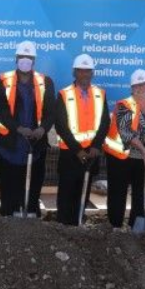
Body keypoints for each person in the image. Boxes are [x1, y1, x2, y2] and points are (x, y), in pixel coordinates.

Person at [0, 40, 56, 217]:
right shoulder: (3, 80)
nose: (25, 60)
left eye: (29, 57)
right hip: (9, 144)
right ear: (16, 58)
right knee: (9, 183)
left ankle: (31, 212)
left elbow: (51, 111)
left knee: (34, 182)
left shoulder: (46, 82)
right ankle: (8, 214)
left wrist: (43, 129)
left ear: (34, 61)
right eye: (22, 57)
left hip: (35, 144)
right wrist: (18, 128)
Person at [103, 68, 145, 229]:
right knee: (117, 193)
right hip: (121, 158)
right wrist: (142, 145)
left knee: (142, 193)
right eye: (137, 85)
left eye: (144, 84)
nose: (141, 88)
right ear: (132, 88)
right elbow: (126, 132)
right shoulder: (124, 105)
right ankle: (115, 226)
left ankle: (137, 226)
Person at [55, 54, 110, 225]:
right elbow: (61, 126)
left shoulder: (100, 94)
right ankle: (64, 224)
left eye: (88, 71)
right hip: (71, 153)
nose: (84, 74)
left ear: (92, 73)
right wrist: (77, 150)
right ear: (74, 73)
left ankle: (79, 220)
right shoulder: (64, 94)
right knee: (67, 190)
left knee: (84, 190)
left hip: (91, 152)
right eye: (81, 71)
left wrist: (96, 146)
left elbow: (104, 122)